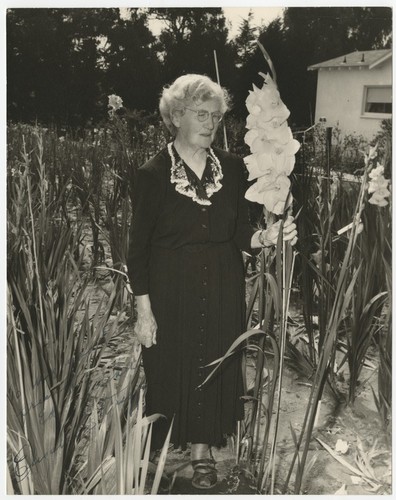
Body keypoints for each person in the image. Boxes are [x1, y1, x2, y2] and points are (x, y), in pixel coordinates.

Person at [127, 74, 297, 490]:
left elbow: (241, 232)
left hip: (222, 283)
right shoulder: (152, 174)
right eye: (201, 115)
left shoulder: (236, 169)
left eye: (217, 117)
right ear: (176, 117)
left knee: (214, 363)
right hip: (171, 287)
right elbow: (137, 249)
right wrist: (144, 309)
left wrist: (267, 238)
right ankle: (162, 440)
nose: (210, 124)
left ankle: (202, 452)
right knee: (170, 363)